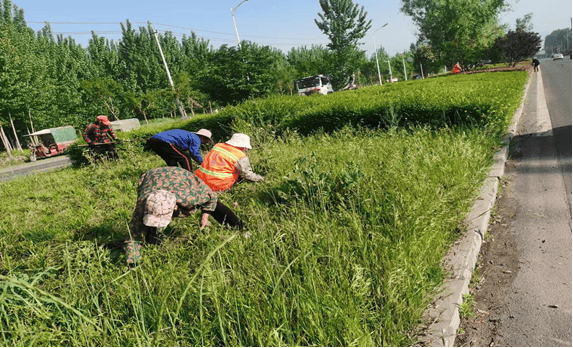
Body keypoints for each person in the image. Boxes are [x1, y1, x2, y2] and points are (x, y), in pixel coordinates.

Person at [125, 166, 245, 264]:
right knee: (143, 226)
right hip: (150, 176)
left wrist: (205, 216)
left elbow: (211, 197)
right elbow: (133, 237)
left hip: (181, 175)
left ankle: (240, 228)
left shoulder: (191, 197)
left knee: (217, 206)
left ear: (175, 207)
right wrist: (133, 262)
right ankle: (152, 239)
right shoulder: (143, 204)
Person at [195, 133, 264, 193]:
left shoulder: (218, 146)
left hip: (199, 180)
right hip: (217, 185)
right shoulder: (239, 155)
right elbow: (248, 175)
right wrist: (262, 179)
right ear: (242, 146)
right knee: (238, 172)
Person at [145, 129, 214, 171]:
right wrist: (202, 163)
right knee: (185, 157)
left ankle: (175, 176)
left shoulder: (190, 136)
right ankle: (189, 176)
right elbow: (194, 153)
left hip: (153, 141)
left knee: (172, 160)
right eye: (207, 140)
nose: (206, 142)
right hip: (163, 141)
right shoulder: (196, 138)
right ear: (203, 137)